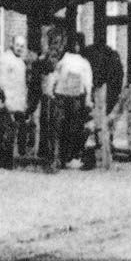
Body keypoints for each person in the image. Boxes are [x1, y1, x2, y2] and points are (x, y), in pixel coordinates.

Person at [50, 32, 93, 169]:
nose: (76, 47)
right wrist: (52, 90)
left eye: (78, 44)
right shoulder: (64, 59)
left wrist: (88, 98)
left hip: (75, 98)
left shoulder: (84, 62)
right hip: (62, 97)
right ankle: (57, 158)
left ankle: (69, 157)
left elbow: (88, 82)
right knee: (59, 127)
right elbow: (55, 75)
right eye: (74, 44)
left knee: (73, 128)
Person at [0, 35, 32, 160]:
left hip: (19, 100)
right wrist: (4, 97)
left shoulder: (21, 62)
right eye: (17, 45)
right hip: (8, 99)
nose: (19, 48)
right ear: (12, 44)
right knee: (9, 127)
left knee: (21, 127)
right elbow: (2, 80)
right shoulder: (6, 58)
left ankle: (19, 154)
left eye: (22, 46)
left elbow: (22, 84)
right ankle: (6, 154)